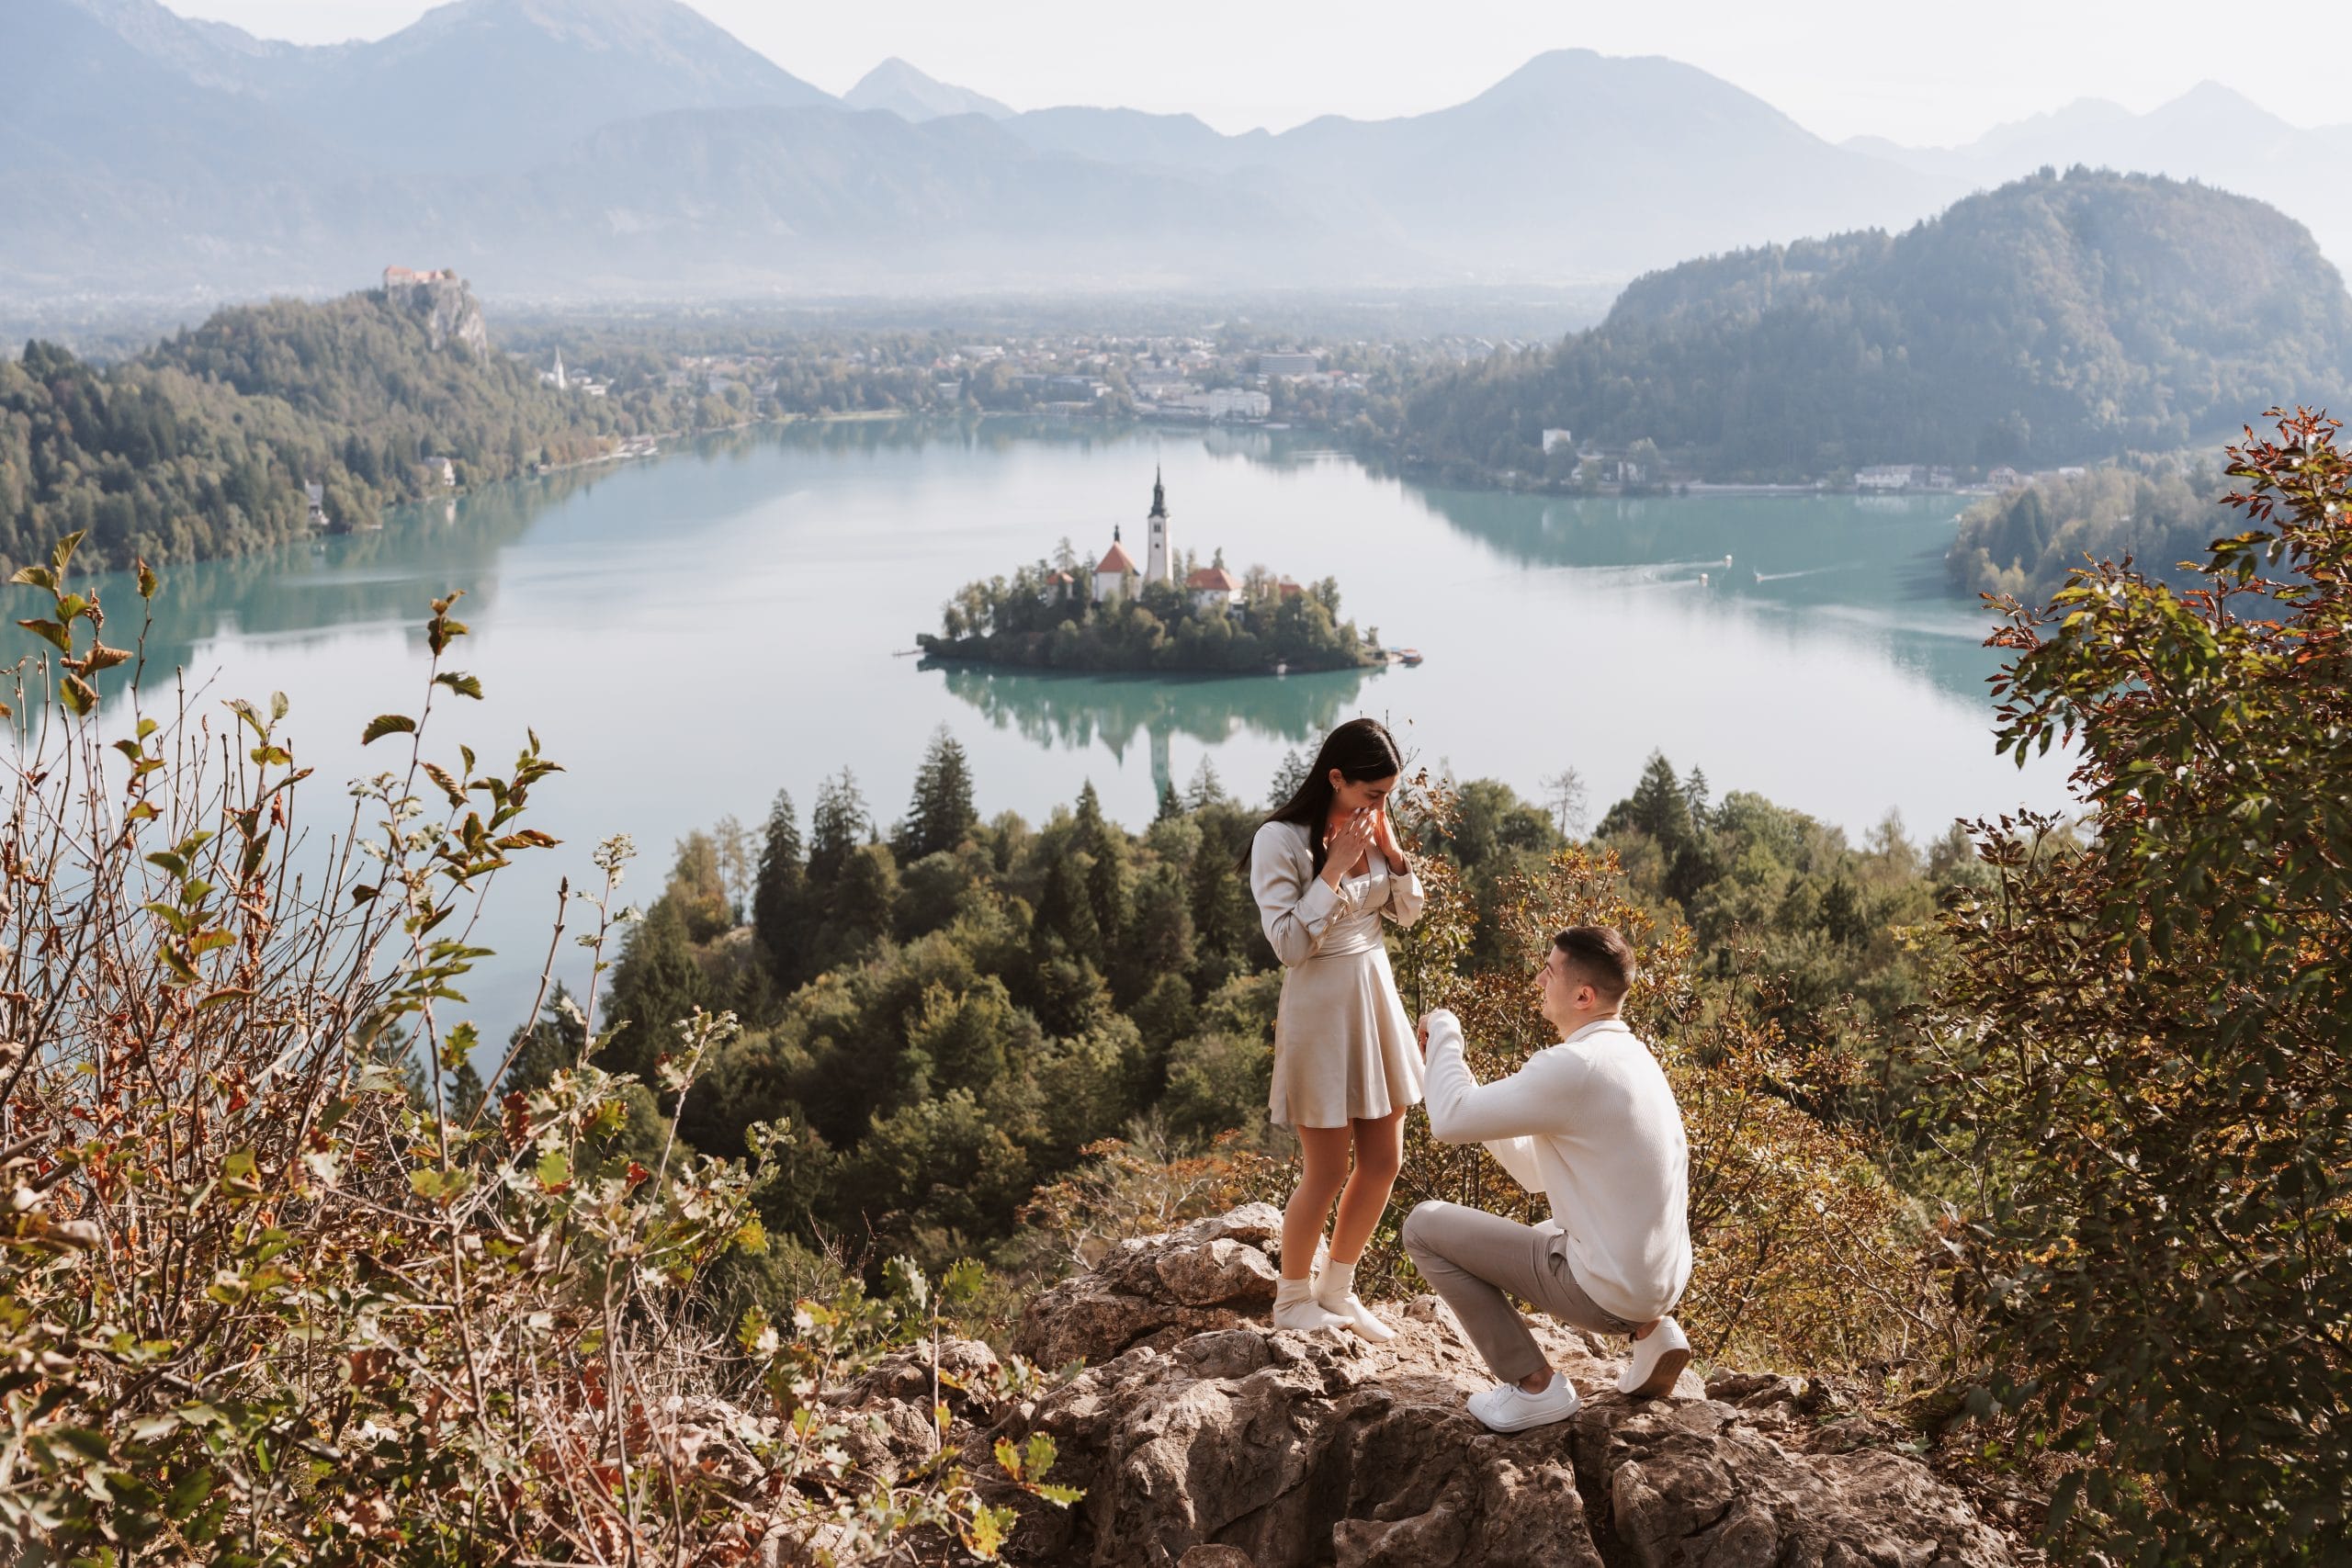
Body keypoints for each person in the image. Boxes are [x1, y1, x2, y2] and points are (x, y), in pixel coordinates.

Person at [1405, 925, 1694, 1432]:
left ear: (1583, 995)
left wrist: (1445, 1031)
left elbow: (1447, 1121)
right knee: (1544, 1232)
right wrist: (1470, 1089)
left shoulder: (1572, 1066)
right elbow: (1534, 1172)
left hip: (1609, 1292)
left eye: (1551, 971)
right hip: (1660, 1283)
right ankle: (1653, 1332)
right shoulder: (1633, 1057)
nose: (1540, 979)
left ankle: (1533, 1386)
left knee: (1424, 1226)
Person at [1246, 717, 1426, 1339]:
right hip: (1320, 1003)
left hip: (1374, 993)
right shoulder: (1281, 839)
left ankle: (1338, 1288)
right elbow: (1289, 944)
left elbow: (1407, 912)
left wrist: (1392, 850)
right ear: (1336, 778)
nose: (1380, 805)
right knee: (1324, 1167)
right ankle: (1292, 1299)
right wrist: (1333, 869)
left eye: (1387, 795)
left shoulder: (1373, 826)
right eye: (1372, 793)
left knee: (1384, 1157)